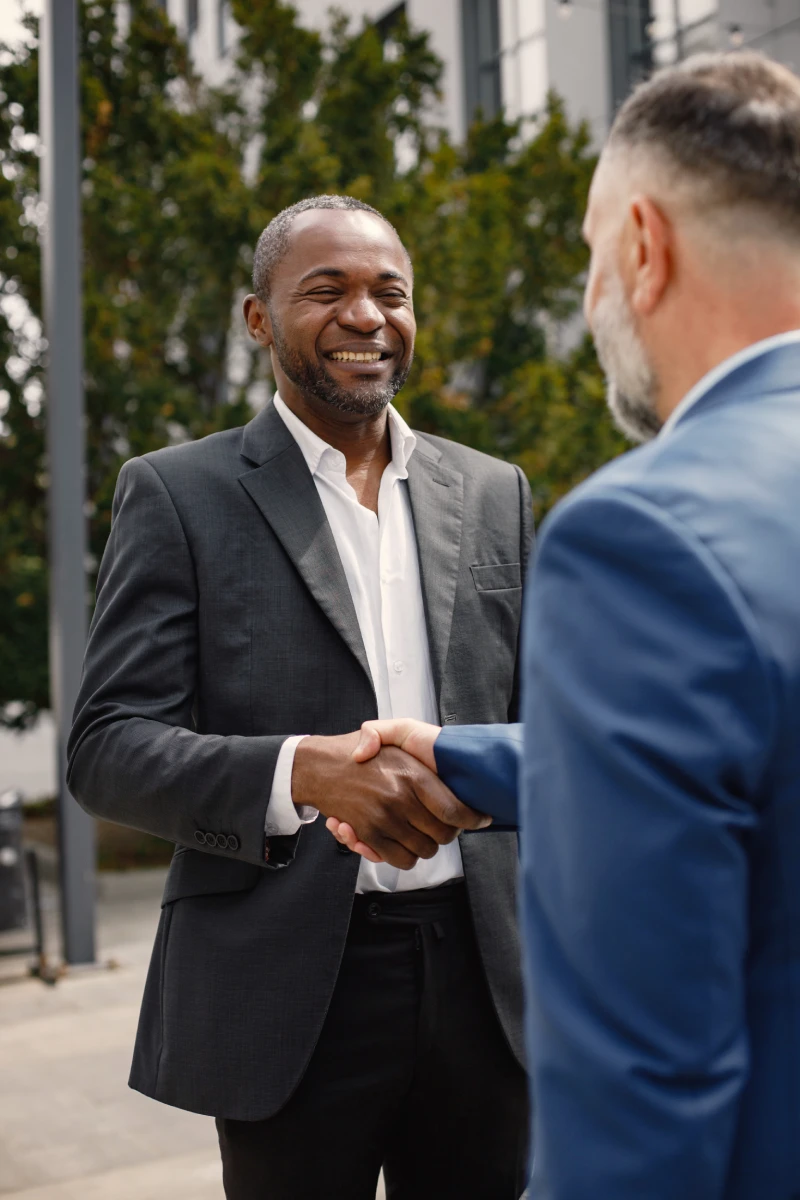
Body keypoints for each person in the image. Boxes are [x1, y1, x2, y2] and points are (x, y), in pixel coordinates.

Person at [328, 53, 800, 1199]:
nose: (593, 295)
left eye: (590, 255)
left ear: (640, 245)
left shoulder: (643, 537)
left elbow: (643, 1089)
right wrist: (468, 758)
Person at [67, 194, 534, 1199]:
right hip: (288, 990)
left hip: (487, 979)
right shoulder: (178, 493)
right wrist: (300, 773)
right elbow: (105, 744)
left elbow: (542, 724)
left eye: (388, 293)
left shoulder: (494, 491)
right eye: (326, 291)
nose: (364, 316)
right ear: (257, 319)